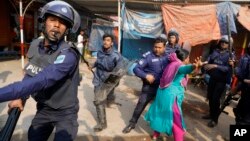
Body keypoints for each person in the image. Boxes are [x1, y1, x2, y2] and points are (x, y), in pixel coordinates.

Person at [0, 1, 81, 141]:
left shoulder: (69, 54)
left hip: (65, 112)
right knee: (34, 137)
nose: (57, 25)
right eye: (53, 19)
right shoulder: (35, 45)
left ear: (66, 29)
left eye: (62, 23)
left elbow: (43, 79)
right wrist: (21, 97)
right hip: (44, 108)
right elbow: (31, 73)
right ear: (44, 22)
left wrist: (5, 93)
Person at [145, 49, 202, 141]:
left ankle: (156, 135)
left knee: (160, 112)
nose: (188, 59)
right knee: (176, 119)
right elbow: (185, 69)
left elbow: (187, 73)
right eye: (188, 57)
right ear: (186, 58)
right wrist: (193, 66)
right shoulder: (179, 65)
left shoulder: (171, 63)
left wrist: (195, 68)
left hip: (162, 92)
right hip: (171, 96)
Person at [122, 37, 169, 134]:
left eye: (160, 47)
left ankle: (157, 130)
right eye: (155, 47)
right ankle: (132, 123)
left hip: (162, 88)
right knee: (141, 104)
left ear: (164, 47)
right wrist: (145, 75)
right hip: (149, 87)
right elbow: (136, 69)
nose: (157, 49)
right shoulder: (148, 56)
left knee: (161, 108)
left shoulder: (168, 57)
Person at [89, 33, 124, 132]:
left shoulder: (116, 55)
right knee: (98, 100)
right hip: (98, 78)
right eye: (104, 40)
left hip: (108, 80)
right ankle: (102, 122)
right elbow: (98, 61)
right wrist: (93, 65)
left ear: (112, 43)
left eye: (108, 40)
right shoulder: (100, 52)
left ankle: (103, 122)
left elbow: (120, 70)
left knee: (102, 98)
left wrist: (112, 79)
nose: (105, 42)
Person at [202, 35, 235, 128]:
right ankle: (211, 114)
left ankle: (214, 119)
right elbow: (209, 59)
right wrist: (205, 63)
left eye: (226, 42)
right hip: (213, 78)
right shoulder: (215, 51)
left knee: (216, 99)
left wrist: (215, 66)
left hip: (222, 80)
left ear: (229, 44)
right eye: (222, 42)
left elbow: (227, 69)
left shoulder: (231, 55)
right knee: (210, 97)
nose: (223, 43)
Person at [234, 42, 250, 125]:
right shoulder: (245, 58)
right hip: (245, 90)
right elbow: (240, 73)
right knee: (239, 113)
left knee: (246, 120)